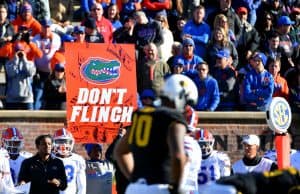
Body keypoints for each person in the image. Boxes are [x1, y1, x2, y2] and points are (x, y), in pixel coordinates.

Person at [114, 74, 198, 194]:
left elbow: (120, 152)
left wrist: (133, 178)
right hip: (160, 187)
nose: (185, 107)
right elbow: (178, 157)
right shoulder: (172, 118)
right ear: (180, 96)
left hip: (134, 188)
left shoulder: (142, 113)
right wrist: (176, 187)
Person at [32, 19, 62, 110]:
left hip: (53, 73)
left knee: (52, 97)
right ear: (41, 28)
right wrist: (34, 71)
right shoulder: (36, 38)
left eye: (48, 27)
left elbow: (57, 52)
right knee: (38, 95)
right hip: (40, 72)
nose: (46, 29)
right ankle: (35, 117)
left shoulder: (56, 38)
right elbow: (33, 55)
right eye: (44, 27)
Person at [52, 128, 86, 194]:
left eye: (66, 141)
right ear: (54, 143)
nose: (64, 145)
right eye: (61, 141)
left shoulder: (77, 160)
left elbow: (82, 186)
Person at [5, 43, 36, 110]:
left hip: (27, 98)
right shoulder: (9, 63)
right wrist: (15, 61)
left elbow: (30, 73)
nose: (19, 53)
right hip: (12, 99)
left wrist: (24, 60)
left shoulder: (30, 63)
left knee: (30, 120)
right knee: (10, 120)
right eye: (17, 51)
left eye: (21, 51)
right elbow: (11, 73)